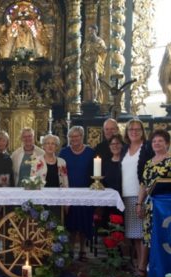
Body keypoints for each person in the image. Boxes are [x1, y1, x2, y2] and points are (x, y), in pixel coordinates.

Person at [136, 130, 171, 269]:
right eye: (154, 141)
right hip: (150, 205)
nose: (157, 143)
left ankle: (162, 267)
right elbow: (143, 184)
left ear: (167, 143)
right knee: (147, 236)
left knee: (164, 236)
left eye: (160, 141)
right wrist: (139, 203)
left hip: (166, 205)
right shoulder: (148, 163)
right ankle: (142, 267)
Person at [120, 118, 154, 277]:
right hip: (126, 195)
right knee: (134, 235)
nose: (134, 131)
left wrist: (143, 197)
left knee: (142, 234)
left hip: (140, 195)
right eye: (131, 129)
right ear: (127, 132)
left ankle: (142, 267)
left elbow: (148, 174)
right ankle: (140, 265)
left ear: (142, 132)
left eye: (137, 129)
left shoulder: (146, 148)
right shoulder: (125, 149)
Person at [59, 126, 95, 261]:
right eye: (71, 137)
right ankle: (70, 250)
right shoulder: (64, 152)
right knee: (71, 224)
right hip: (68, 193)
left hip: (86, 193)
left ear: (82, 136)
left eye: (77, 136)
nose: (74, 139)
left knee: (84, 223)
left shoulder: (90, 152)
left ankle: (82, 250)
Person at [81, 25, 107, 103]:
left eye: (91, 31)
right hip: (86, 62)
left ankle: (95, 97)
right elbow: (83, 51)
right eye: (89, 31)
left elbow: (103, 51)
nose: (90, 33)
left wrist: (102, 50)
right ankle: (88, 98)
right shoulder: (87, 41)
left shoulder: (100, 41)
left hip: (95, 61)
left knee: (94, 79)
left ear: (96, 31)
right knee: (87, 80)